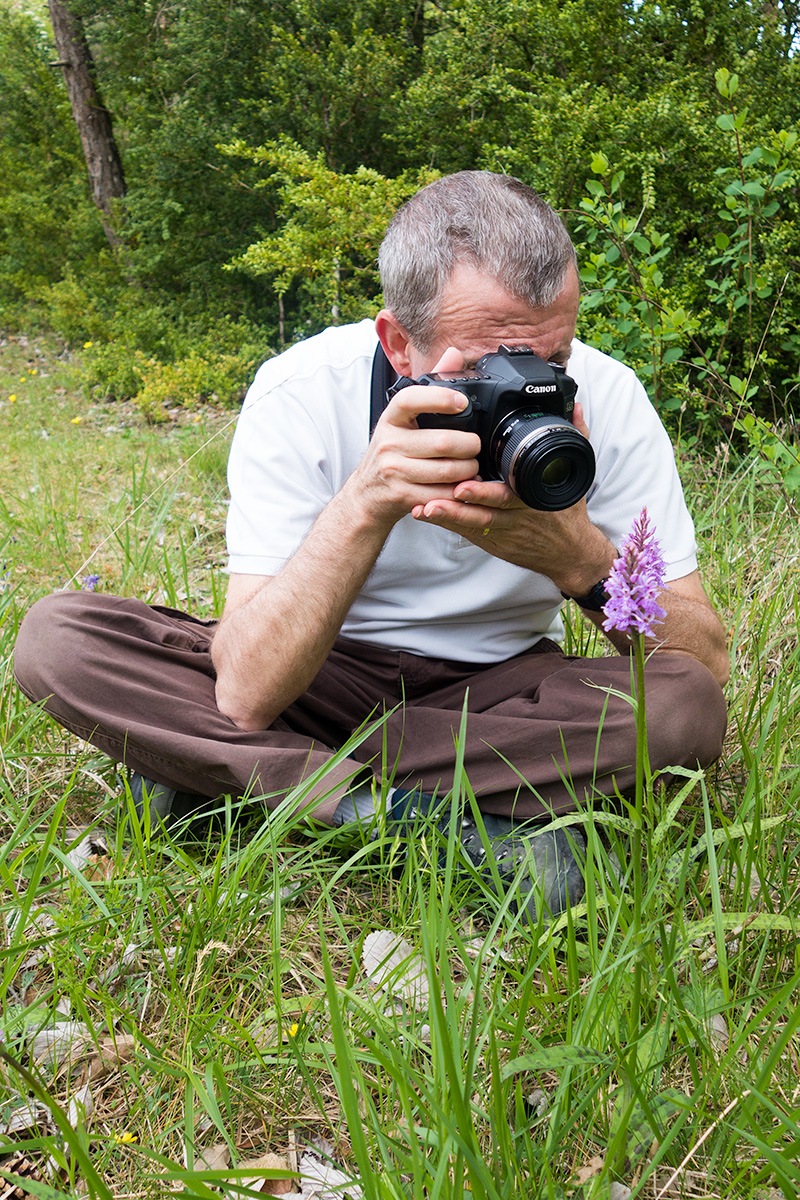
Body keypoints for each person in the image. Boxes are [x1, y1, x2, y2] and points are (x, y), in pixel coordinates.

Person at [13, 171, 729, 921]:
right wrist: (365, 504)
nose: (529, 386)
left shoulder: (604, 398)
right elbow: (251, 690)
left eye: (551, 359)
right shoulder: (303, 391)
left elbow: (702, 662)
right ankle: (418, 823)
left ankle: (227, 782)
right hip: (319, 678)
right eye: (488, 368)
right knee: (59, 639)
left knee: (681, 710)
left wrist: (577, 557)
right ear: (398, 341)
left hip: (504, 689)